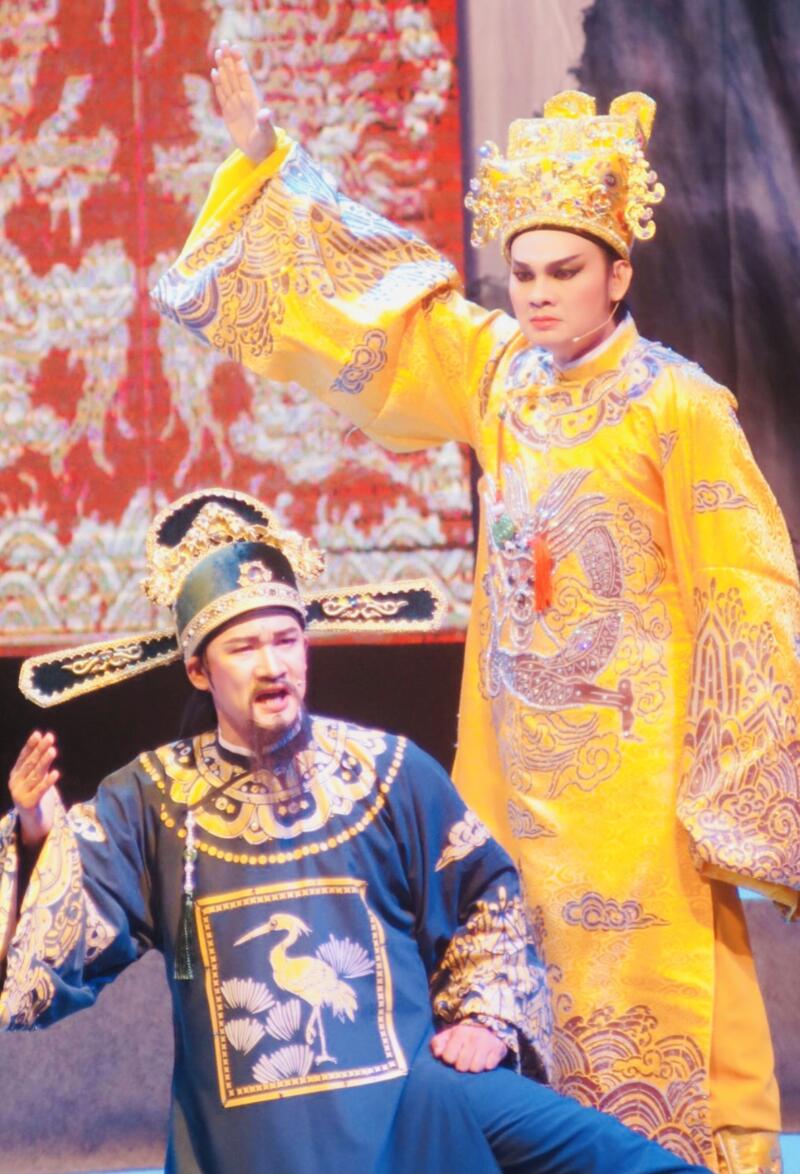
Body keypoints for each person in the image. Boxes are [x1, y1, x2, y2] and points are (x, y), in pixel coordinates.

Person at [151, 45, 800, 1174]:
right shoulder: (499, 376)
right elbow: (387, 308)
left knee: (656, 1023)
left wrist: (736, 786)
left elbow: (749, 593)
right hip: (513, 771)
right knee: (499, 997)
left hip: (637, 786)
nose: (536, 292)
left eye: (563, 271)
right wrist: (266, 163)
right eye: (523, 272)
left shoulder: (678, 406)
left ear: (616, 275)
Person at [1, 489, 709, 1174]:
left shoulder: (388, 773)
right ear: (198, 670)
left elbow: (485, 895)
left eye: (287, 640)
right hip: (256, 1142)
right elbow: (49, 954)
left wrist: (484, 1019)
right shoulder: (152, 800)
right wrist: (36, 839)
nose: (272, 666)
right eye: (244, 648)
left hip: (410, 1102)